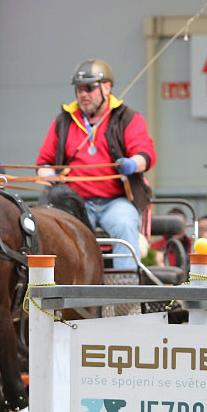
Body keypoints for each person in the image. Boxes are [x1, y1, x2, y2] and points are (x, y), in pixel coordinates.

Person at [36, 59, 156, 270]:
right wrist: (49, 176)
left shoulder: (128, 118)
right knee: (63, 231)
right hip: (76, 202)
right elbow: (44, 162)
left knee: (125, 225)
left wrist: (131, 164)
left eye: (89, 88)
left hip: (116, 202)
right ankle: (74, 288)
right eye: (79, 89)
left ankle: (124, 296)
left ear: (107, 88)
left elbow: (145, 155)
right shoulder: (63, 121)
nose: (83, 94)